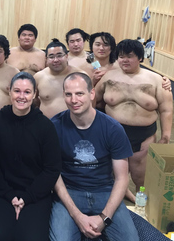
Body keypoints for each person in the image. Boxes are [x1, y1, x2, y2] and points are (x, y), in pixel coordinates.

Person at [50, 72, 138, 241]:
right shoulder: (54, 127)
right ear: (63, 96)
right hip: (69, 191)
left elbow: (122, 179)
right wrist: (77, 215)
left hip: (104, 190)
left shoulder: (112, 128)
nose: (74, 100)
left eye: (80, 93)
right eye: (68, 94)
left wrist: (104, 217)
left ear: (91, 94)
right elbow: (54, 174)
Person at [0, 72, 62, 241]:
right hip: (3, 191)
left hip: (36, 194)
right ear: (9, 92)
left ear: (35, 95)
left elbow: (52, 169)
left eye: (27, 92)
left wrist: (27, 197)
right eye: (17, 91)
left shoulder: (45, 127)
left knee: (32, 238)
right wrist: (9, 195)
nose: (21, 96)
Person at [95, 39, 173, 202]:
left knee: (140, 177)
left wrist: (166, 135)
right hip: (111, 133)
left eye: (129, 56)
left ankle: (140, 206)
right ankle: (109, 204)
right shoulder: (109, 76)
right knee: (109, 173)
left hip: (143, 135)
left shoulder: (156, 80)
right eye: (121, 56)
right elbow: (92, 98)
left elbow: (166, 109)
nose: (124, 60)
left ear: (140, 58)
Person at [34, 38, 85, 118]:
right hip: (47, 125)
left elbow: (90, 102)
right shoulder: (38, 77)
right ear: (46, 59)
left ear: (67, 56)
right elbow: (33, 100)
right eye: (51, 56)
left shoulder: (81, 76)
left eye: (59, 55)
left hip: (74, 125)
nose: (55, 60)